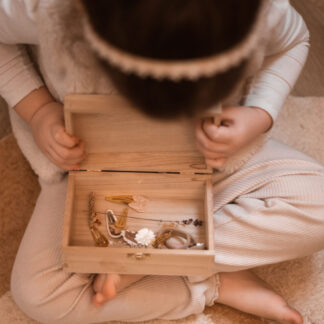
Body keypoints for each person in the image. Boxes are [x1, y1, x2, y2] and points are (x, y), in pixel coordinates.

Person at [1, 0, 323, 323]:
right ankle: (210, 281)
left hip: (205, 159)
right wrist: (38, 109)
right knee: (37, 291)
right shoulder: (39, 7)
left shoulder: (261, 10)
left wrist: (258, 114)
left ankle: (156, 259)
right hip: (86, 165)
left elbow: (294, 41)